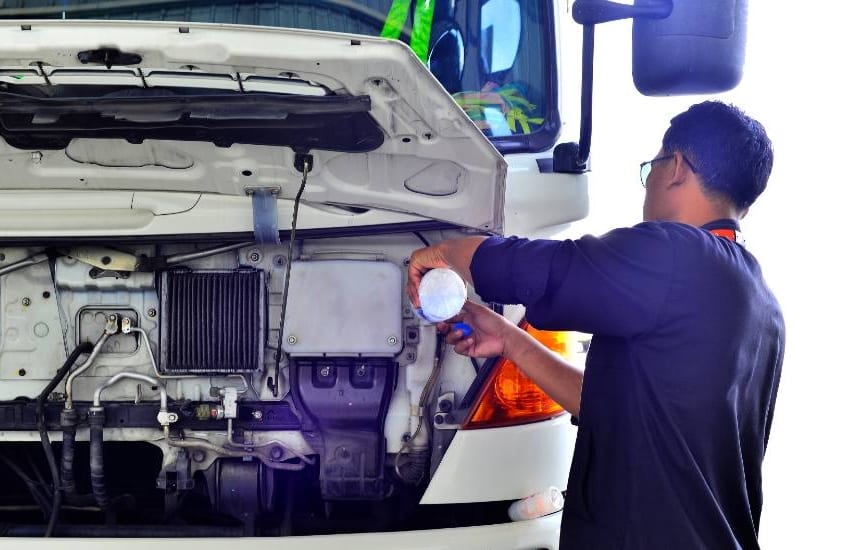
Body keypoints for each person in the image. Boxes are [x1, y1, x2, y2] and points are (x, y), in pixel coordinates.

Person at [406, 101, 783, 549]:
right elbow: (615, 408)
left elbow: (549, 268)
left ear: (677, 166)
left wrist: (448, 253)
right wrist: (508, 340)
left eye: (653, 167)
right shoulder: (762, 306)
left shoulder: (679, 254)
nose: (651, 184)